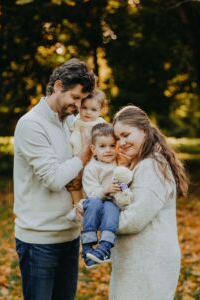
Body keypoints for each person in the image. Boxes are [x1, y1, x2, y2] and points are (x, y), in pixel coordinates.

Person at [13, 58, 95, 300]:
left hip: (70, 236)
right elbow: (53, 178)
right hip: (40, 241)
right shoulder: (31, 125)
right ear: (58, 86)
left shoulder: (70, 122)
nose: (79, 105)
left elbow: (83, 170)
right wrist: (84, 155)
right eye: (76, 98)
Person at [110, 105, 189, 299]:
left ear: (144, 130)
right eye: (117, 138)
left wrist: (96, 221)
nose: (121, 142)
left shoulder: (152, 166)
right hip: (139, 262)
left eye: (126, 135)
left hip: (149, 263)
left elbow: (133, 220)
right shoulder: (140, 164)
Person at [79, 123, 123, 269]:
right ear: (94, 149)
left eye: (112, 145)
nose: (108, 150)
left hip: (113, 201)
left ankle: (104, 248)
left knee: (112, 209)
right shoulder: (91, 168)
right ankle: (87, 247)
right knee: (93, 204)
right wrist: (105, 190)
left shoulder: (119, 163)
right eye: (102, 146)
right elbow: (92, 192)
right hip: (95, 201)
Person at [67, 89, 107, 221]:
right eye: (84, 108)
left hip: (92, 162)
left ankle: (91, 211)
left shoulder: (100, 124)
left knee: (89, 188)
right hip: (76, 159)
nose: (88, 112)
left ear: (100, 110)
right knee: (74, 186)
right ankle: (77, 208)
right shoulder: (76, 120)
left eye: (93, 109)